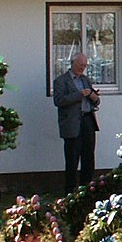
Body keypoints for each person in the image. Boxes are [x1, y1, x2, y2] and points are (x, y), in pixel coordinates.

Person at [52, 52, 101, 193]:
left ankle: (87, 188)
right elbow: (59, 101)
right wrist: (80, 94)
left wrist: (92, 95)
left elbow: (96, 101)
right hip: (72, 123)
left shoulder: (86, 80)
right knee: (72, 158)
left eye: (85, 65)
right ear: (72, 63)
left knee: (88, 157)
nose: (82, 68)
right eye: (80, 65)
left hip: (88, 121)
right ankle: (70, 190)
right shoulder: (61, 81)